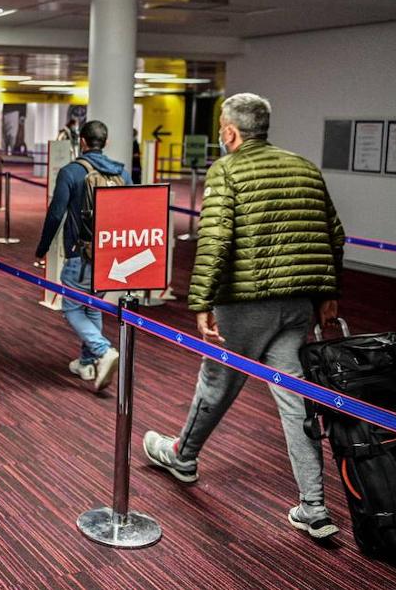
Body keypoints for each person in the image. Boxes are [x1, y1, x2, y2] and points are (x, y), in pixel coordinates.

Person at [142, 93, 347, 540]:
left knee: (216, 383)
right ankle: (313, 505)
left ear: (231, 131)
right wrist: (329, 294)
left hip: (244, 304)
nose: (220, 132)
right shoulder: (304, 167)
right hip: (297, 305)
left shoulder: (227, 171)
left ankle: (182, 456)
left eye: (220, 126)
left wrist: (199, 301)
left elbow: (215, 242)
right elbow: (335, 235)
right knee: (297, 402)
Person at [34, 120, 132, 392]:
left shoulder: (71, 172)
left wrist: (42, 249)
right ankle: (87, 364)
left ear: (83, 142)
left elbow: (55, 215)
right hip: (111, 256)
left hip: (80, 254)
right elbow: (133, 212)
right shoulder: (122, 174)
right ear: (106, 142)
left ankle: (102, 351)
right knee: (93, 306)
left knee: (72, 308)